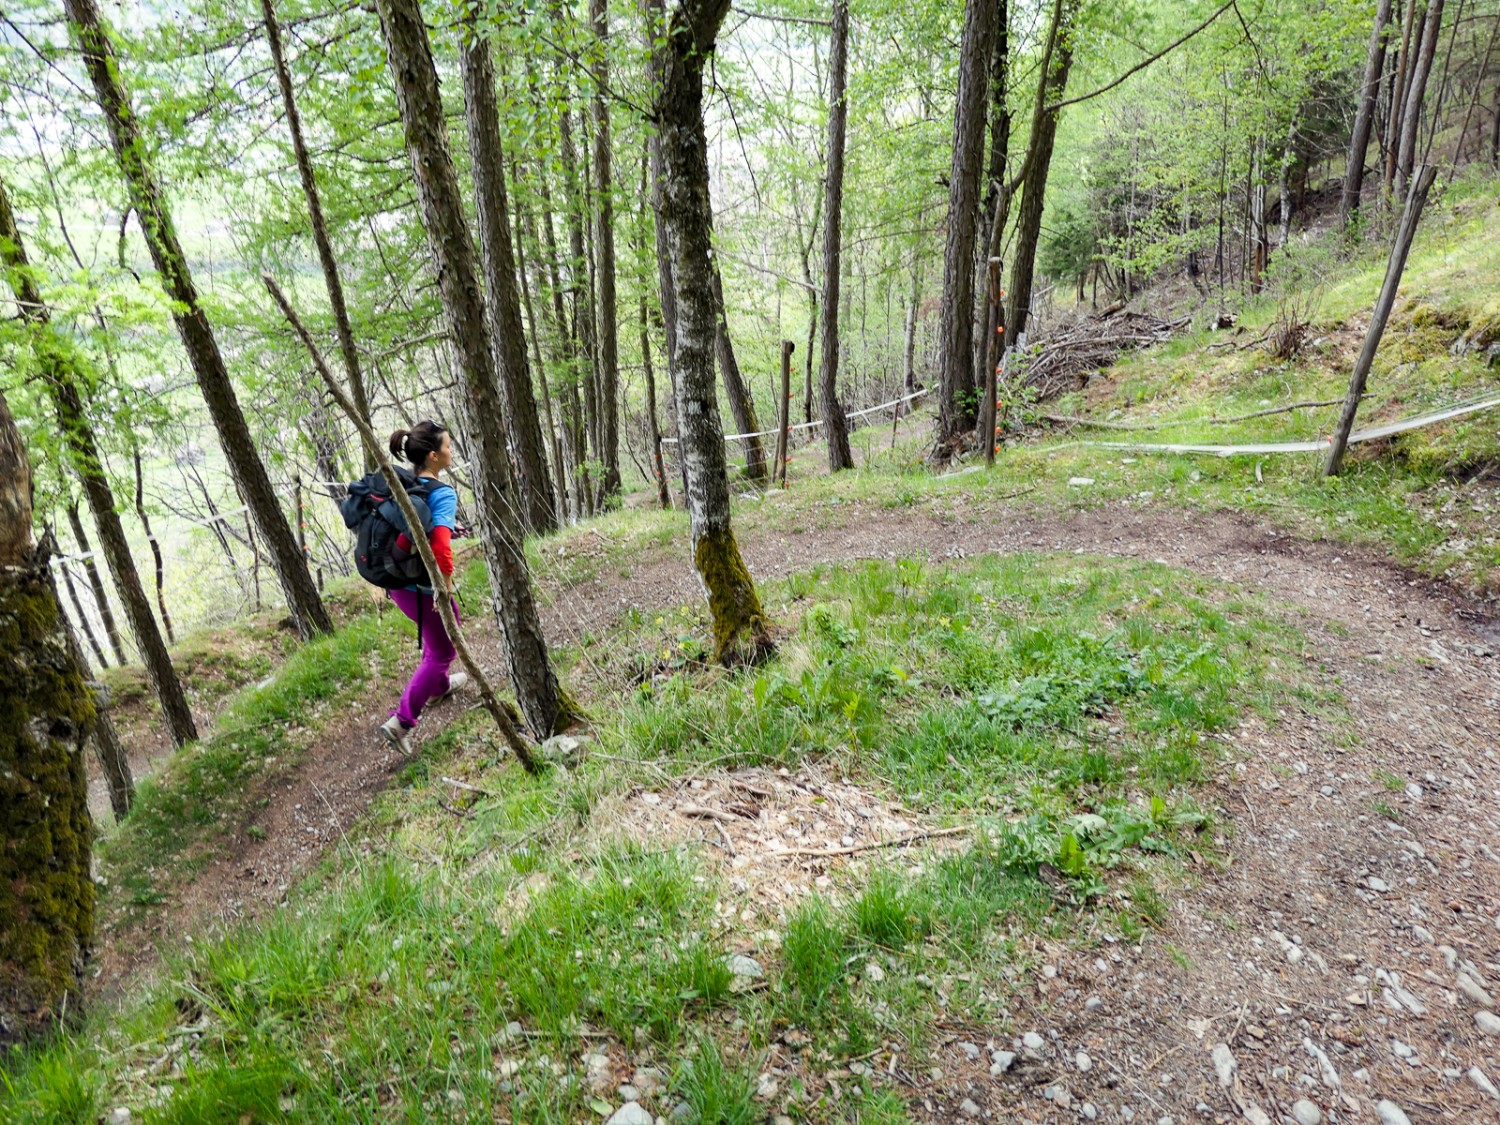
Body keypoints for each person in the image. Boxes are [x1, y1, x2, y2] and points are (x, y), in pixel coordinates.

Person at [378, 420, 467, 752]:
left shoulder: (407, 485)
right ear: (433, 456)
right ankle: (400, 722)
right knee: (444, 649)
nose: (451, 450)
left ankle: (439, 687)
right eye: (447, 446)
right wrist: (444, 586)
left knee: (442, 633)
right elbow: (440, 546)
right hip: (423, 588)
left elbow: (422, 528)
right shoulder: (442, 493)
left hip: (397, 583)